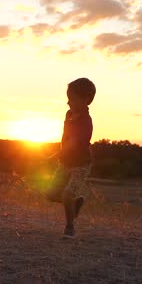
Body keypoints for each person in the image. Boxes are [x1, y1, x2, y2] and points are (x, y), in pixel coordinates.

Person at [46, 77, 95, 239]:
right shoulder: (69, 114)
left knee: (67, 193)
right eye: (68, 99)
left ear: (86, 100)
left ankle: (69, 227)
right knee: (51, 194)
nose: (68, 103)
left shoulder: (86, 122)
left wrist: (55, 155)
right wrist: (60, 155)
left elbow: (74, 143)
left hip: (81, 164)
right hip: (65, 163)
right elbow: (65, 136)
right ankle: (74, 204)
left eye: (72, 99)